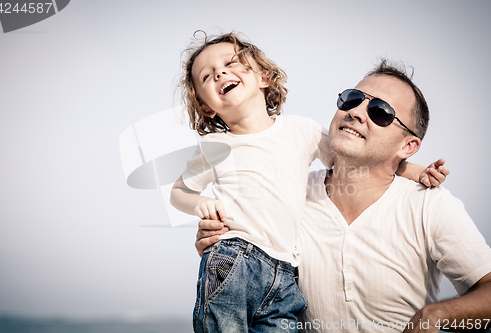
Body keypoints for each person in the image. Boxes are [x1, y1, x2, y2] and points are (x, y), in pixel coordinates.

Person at [172, 32, 446, 333]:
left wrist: (416, 171)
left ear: (264, 76)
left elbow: (359, 159)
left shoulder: (301, 130)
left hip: (286, 275)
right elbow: (179, 192)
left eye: (230, 63)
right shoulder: (213, 145)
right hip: (235, 257)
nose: (220, 73)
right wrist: (201, 204)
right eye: (207, 76)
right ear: (207, 106)